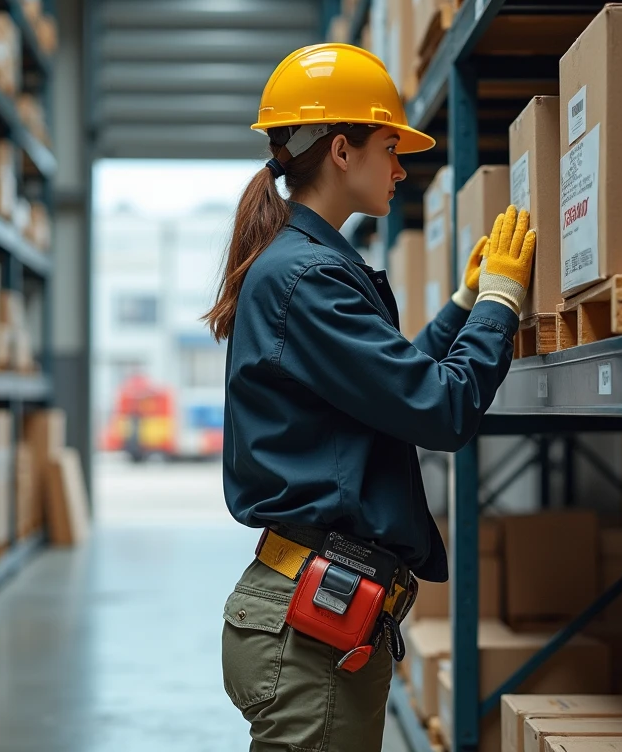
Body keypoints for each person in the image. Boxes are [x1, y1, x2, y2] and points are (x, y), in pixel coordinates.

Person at [203, 43, 536, 752]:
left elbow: (385, 396)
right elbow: (442, 411)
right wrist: (502, 304)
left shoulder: (305, 267)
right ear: (343, 150)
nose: (401, 166)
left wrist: (463, 305)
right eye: (391, 146)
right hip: (309, 635)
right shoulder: (309, 278)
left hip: (311, 619)